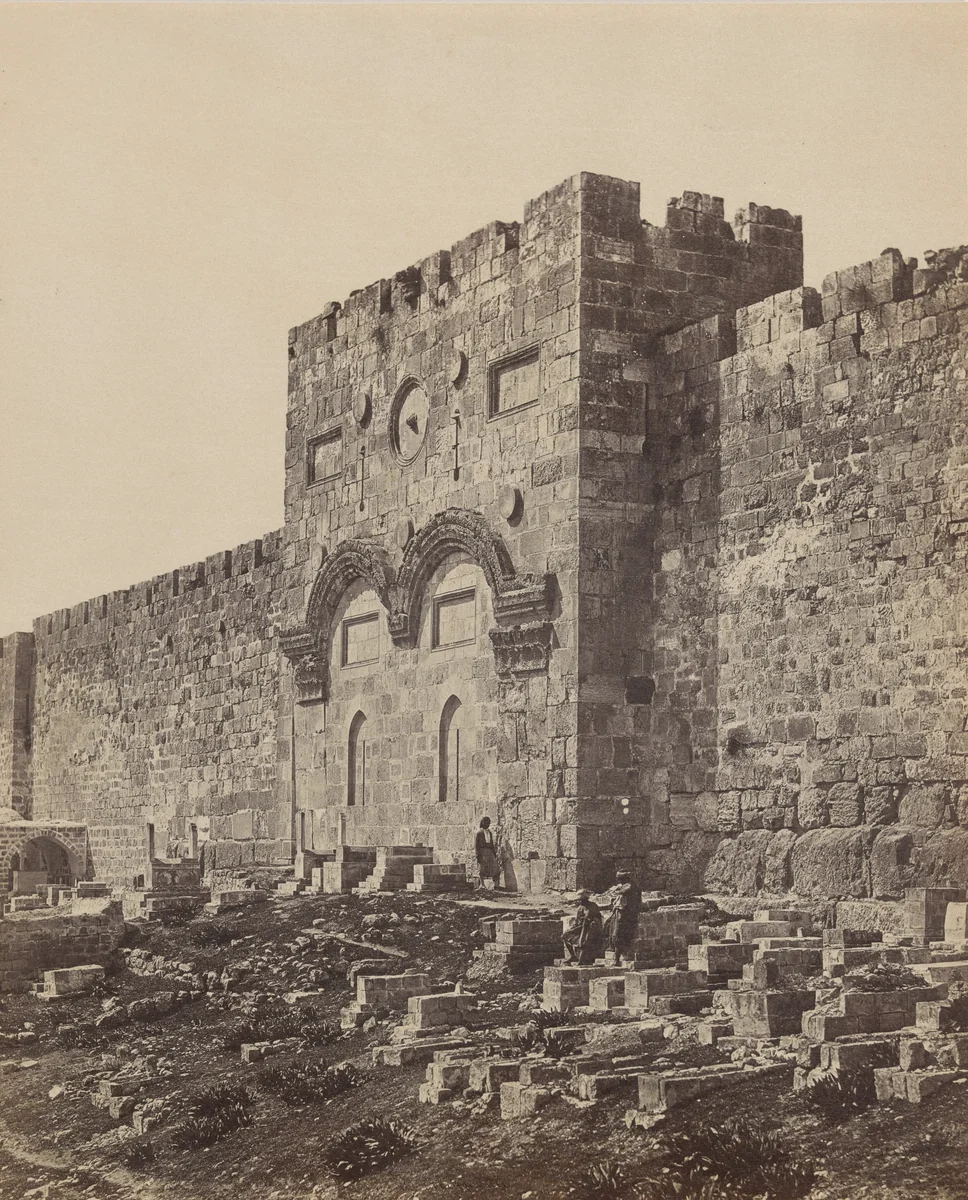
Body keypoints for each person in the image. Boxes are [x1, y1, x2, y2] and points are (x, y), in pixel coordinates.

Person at [604, 869, 642, 965]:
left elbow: (623, 891)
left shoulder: (630, 885)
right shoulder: (625, 885)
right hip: (619, 912)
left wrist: (616, 890)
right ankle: (614, 955)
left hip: (625, 914)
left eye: (619, 878)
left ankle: (616, 960)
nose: (618, 881)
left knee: (618, 934)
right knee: (611, 931)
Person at [561, 890, 604, 965]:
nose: (579, 901)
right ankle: (573, 955)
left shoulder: (592, 906)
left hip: (592, 928)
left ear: (586, 899)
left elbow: (590, 921)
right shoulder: (580, 907)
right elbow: (577, 921)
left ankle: (582, 959)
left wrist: (582, 934)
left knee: (584, 938)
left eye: (581, 900)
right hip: (581, 927)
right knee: (565, 935)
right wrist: (572, 928)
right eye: (578, 900)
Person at [474, 817, 501, 890]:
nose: (488, 825)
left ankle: (495, 885)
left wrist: (494, 853)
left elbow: (491, 844)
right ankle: (482, 885)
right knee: (482, 868)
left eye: (489, 823)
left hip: (489, 851)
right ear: (483, 823)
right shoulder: (479, 833)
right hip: (483, 852)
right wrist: (478, 855)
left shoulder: (489, 833)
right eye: (486, 823)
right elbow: (477, 845)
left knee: (494, 867)